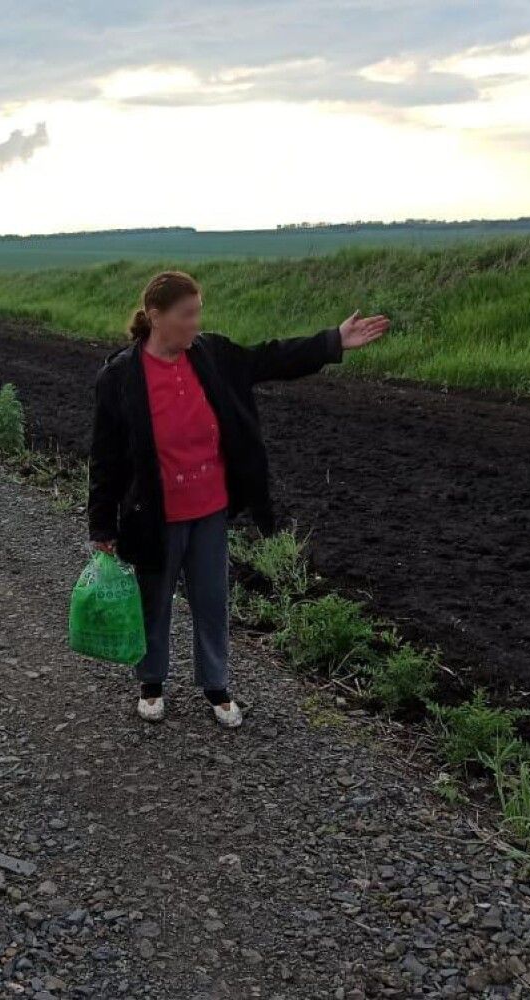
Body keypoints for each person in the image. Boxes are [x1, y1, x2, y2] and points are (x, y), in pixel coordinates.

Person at [88, 270, 388, 727]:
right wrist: (102, 524)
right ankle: (151, 683)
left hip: (209, 508)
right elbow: (106, 456)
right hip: (156, 513)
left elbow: (269, 358)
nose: (196, 322)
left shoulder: (212, 354)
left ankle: (216, 686)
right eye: (187, 315)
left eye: (198, 312)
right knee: (155, 599)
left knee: (212, 600)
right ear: (155, 317)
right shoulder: (121, 377)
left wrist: (332, 342)